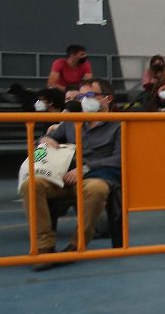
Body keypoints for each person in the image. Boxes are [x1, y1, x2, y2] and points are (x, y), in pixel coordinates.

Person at [22, 80, 121, 272]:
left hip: (96, 176)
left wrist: (85, 168)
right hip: (62, 176)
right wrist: (44, 139)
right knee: (31, 184)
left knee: (96, 189)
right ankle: (44, 246)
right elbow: (45, 140)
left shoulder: (119, 125)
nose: (84, 101)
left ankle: (76, 245)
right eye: (81, 96)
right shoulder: (70, 122)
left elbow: (120, 159)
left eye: (90, 96)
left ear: (107, 99)